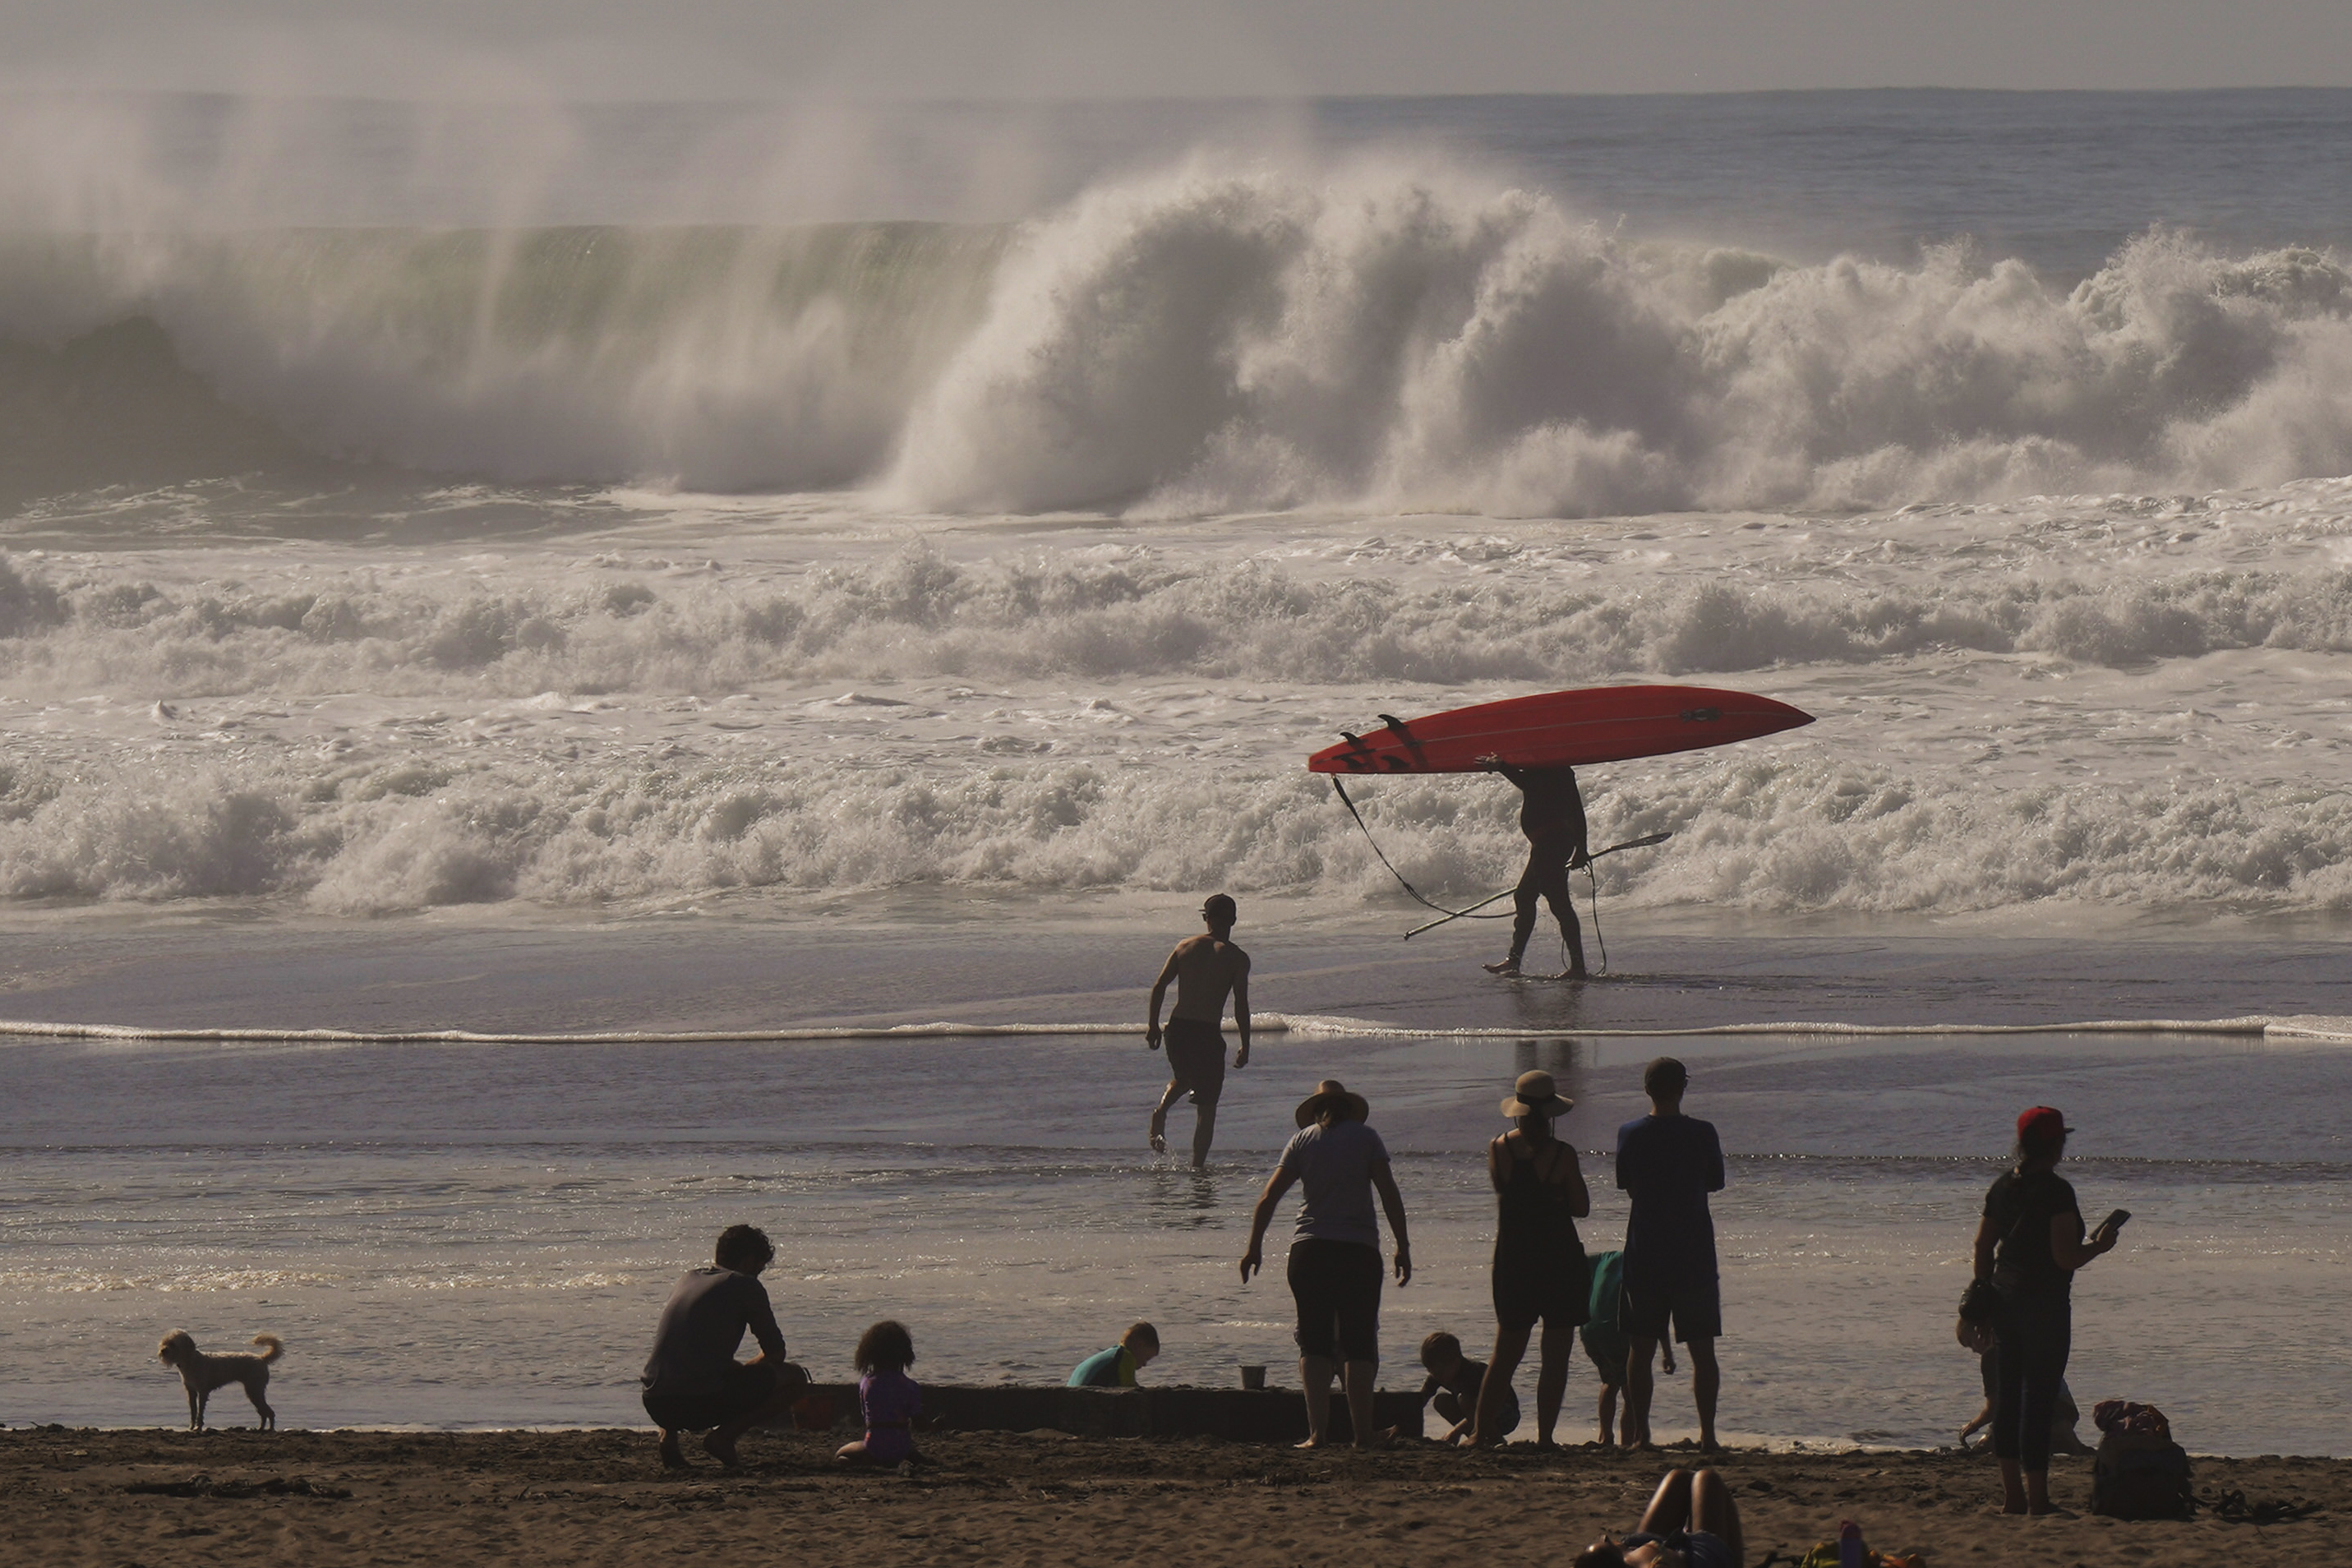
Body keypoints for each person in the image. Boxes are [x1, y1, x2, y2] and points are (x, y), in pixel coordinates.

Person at [1239, 1078, 1413, 1449]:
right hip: (1357, 1251)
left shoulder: (1301, 1142)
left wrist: (1254, 1247)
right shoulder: (1367, 1138)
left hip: (1309, 1252)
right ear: (1349, 1108)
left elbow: (1268, 1198)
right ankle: (1363, 1434)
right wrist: (1403, 1245)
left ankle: (1317, 1435)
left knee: (1314, 1344)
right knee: (1359, 1344)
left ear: (1316, 1111)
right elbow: (1388, 1192)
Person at [1969, 1106, 2121, 1515]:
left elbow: (1984, 1247)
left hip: (2003, 1300)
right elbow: (2065, 1258)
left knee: (2007, 1399)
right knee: (2038, 1402)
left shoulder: (2002, 1187)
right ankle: (2037, 1499)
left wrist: (1981, 1295)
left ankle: (2012, 1497)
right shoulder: (2056, 1192)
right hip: (2045, 1307)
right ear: (2056, 1145)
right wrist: (2100, 1246)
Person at [1468, 1068, 1589, 1448]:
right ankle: (1545, 1437)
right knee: (1555, 1357)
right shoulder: (1563, 1155)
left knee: (1505, 1354)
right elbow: (1581, 1207)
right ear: (1551, 1113)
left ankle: (1481, 1431)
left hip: (1514, 1259)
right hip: (1558, 1260)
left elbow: (1506, 1192)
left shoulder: (1499, 1148)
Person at [1616, 1056, 1727, 1453]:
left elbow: (1626, 1184)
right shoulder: (1703, 1133)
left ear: (1647, 1089)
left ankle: (1643, 1435)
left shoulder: (1630, 1133)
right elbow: (1715, 1182)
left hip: (1645, 1250)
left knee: (1640, 1348)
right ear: (1683, 1088)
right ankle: (1708, 1436)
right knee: (1702, 1350)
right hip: (1693, 1252)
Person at [639, 1223, 810, 1469]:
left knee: (677, 1362)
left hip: (655, 1402)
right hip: (693, 1404)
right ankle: (724, 1437)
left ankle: (669, 1440)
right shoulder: (745, 1285)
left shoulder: (689, 1278)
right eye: (759, 1268)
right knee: (795, 1377)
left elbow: (686, 1348)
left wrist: (735, 1368)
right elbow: (775, 1352)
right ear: (749, 1262)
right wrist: (745, 1371)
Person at [1145, 893, 1252, 1167]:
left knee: (1184, 1078)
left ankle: (1162, 1111)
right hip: (1207, 1032)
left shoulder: (1184, 946)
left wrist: (1153, 1025)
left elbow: (1159, 986)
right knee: (1207, 1107)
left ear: (1206, 918)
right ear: (1234, 921)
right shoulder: (1237, 958)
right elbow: (1241, 1004)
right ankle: (1198, 1168)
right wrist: (1246, 1045)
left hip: (1178, 1028)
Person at [1480, 762, 1590, 980]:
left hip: (1553, 843)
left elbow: (1531, 786)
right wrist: (1581, 848)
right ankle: (1514, 960)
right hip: (1547, 844)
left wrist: (1502, 766)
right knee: (1525, 896)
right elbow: (1576, 810)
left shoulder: (1555, 770)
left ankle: (1577, 967)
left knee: (1558, 903)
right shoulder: (1554, 768)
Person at [1582, 1247, 1672, 1446]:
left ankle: (1605, 1435)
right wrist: (1667, 1353)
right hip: (1617, 1331)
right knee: (1632, 1393)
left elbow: (1576, 1264)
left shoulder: (1606, 1257)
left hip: (1590, 1328)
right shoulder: (1647, 1269)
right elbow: (1657, 1316)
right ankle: (1628, 1442)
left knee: (1609, 1381)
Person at [1957, 1321, 2091, 1455]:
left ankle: (2055, 1438)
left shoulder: (1991, 1355)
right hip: (2066, 1409)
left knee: (1983, 1447)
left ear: (1979, 1331)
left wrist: (1972, 1426)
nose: (1974, 1350)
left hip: (2035, 1412)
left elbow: (1993, 1409)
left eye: (1970, 1343)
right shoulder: (2026, 1340)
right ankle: (2065, 1439)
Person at [1574, 1467, 1746, 1568]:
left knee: (1679, 1477)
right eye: (1609, 1544)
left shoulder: (1625, 1555)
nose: (1608, 1539)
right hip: (1699, 1559)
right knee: (1707, 1478)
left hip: (1646, 1545)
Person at [836, 1319, 925, 1468]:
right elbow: (920, 1423)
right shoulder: (910, 1386)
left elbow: (867, 1418)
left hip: (874, 1445)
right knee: (906, 1449)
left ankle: (869, 1461)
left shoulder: (867, 1383)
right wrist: (934, 1426)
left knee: (841, 1454)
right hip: (902, 1447)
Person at [1411, 1330, 1515, 1446]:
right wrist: (1401, 1425)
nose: (1436, 1376)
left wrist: (1456, 1431)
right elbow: (1419, 1402)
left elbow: (1480, 1408)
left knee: (1464, 1400)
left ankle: (1495, 1439)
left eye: (1440, 1372)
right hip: (1476, 1412)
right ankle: (1478, 1437)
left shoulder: (1472, 1373)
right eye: (1431, 1371)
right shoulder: (1437, 1376)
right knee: (1441, 1401)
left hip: (1505, 1413)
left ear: (1456, 1361)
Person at [1068, 1321, 1160, 1387]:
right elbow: (1130, 1391)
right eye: (1147, 1358)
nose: (1144, 1364)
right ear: (1140, 1345)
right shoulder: (1125, 1356)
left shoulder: (1110, 1355)